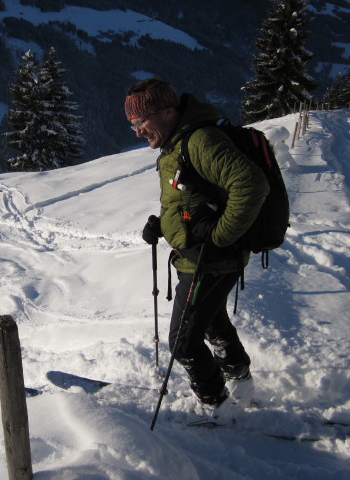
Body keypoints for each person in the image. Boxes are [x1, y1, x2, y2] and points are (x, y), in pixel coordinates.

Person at [125, 77, 270, 419]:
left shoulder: (200, 140)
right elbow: (194, 202)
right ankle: (241, 385)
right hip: (201, 260)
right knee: (213, 322)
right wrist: (164, 224)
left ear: (167, 111)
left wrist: (221, 236)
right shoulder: (178, 142)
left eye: (140, 122)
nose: (136, 131)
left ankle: (217, 407)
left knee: (182, 342)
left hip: (211, 261)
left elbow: (251, 185)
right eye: (132, 124)